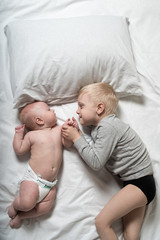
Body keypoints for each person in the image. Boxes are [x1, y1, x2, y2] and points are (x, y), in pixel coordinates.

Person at [61, 82, 156, 240]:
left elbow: (96, 162)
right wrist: (76, 132)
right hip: (140, 184)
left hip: (139, 184)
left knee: (101, 223)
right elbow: (95, 149)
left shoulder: (108, 126)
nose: (77, 111)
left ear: (99, 108)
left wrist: (76, 137)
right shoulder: (100, 127)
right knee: (131, 237)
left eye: (81, 106)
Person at [8, 101, 72, 228]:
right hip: (33, 180)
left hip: (50, 185)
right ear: (39, 120)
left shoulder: (58, 130)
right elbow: (19, 150)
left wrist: (69, 130)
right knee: (27, 203)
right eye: (49, 110)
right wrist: (19, 135)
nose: (53, 111)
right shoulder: (32, 135)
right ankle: (16, 204)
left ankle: (21, 216)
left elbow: (67, 144)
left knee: (45, 208)